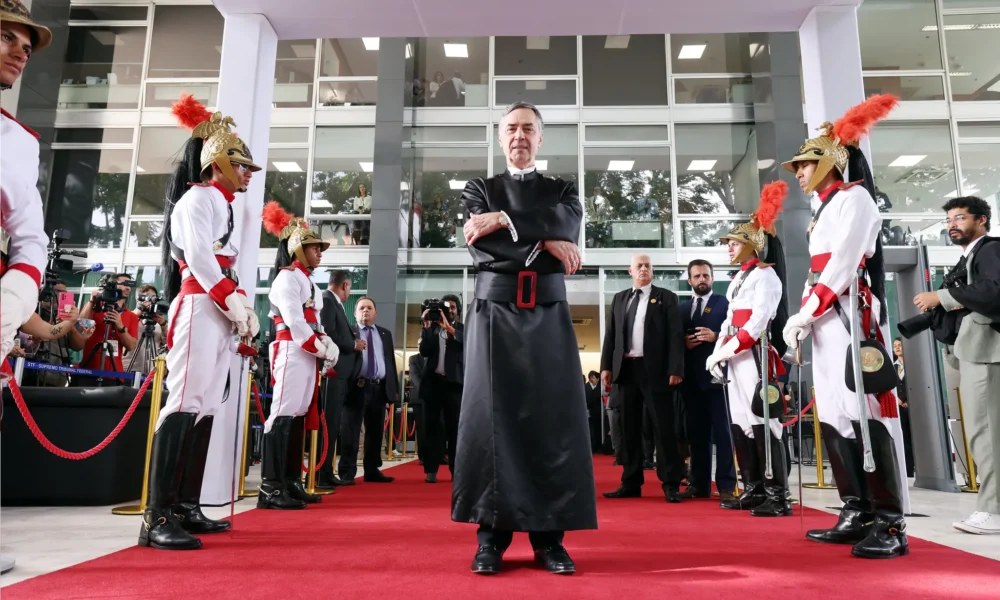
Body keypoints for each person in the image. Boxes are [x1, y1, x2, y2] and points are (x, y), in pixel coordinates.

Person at [452, 101, 595, 576]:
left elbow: (569, 226)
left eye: (528, 129)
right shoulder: (479, 189)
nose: (519, 135)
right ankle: (490, 539)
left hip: (549, 314)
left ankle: (549, 541)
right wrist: (543, 238)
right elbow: (481, 245)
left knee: (549, 421)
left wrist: (506, 222)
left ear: (540, 137)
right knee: (491, 420)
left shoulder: (563, 189)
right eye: (511, 128)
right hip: (494, 313)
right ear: (499, 137)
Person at [781, 94, 910, 559]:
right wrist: (802, 321)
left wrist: (803, 314)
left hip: (850, 314)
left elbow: (841, 268)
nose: (797, 173)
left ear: (830, 162)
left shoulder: (856, 200)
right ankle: (856, 510)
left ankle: (890, 523)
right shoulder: (824, 210)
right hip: (825, 319)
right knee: (835, 414)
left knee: (865, 413)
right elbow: (818, 273)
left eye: (804, 164)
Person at [137, 95, 262, 551]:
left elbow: (226, 268)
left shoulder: (224, 204)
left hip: (217, 308)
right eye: (242, 164)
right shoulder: (198, 198)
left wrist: (243, 308)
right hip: (198, 304)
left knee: (206, 404)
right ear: (219, 162)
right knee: (185, 400)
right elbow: (201, 262)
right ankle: (158, 514)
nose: (248, 173)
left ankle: (186, 504)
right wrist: (233, 303)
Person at [913, 196, 1000, 535]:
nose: (952, 223)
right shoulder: (969, 257)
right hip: (976, 351)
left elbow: (994, 290)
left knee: (986, 434)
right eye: (949, 218)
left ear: (982, 220)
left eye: (960, 217)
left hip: (988, 352)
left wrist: (942, 298)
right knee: (984, 434)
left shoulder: (989, 249)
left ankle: (993, 510)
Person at [707, 181, 791, 516]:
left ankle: (778, 494)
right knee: (741, 422)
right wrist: (718, 351)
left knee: (764, 421)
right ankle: (754, 488)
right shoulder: (738, 279)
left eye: (734, 242)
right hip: (736, 358)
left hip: (755, 356)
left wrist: (725, 352)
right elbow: (729, 321)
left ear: (752, 244)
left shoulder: (767, 277)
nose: (729, 247)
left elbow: (757, 325)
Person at [259, 202, 339, 509]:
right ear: (297, 249)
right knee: (283, 412)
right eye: (314, 247)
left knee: (298, 413)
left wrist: (327, 345)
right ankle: (271, 487)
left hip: (306, 351)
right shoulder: (287, 278)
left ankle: (290, 481)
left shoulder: (310, 284)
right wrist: (320, 348)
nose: (320, 252)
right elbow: (294, 322)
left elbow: (315, 324)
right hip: (291, 348)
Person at [601, 254, 686, 503]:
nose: (644, 269)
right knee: (628, 428)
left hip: (657, 372)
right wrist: (606, 366)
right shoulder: (619, 299)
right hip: (626, 370)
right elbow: (611, 335)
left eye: (648, 266)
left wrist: (676, 369)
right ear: (630, 271)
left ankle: (671, 483)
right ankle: (631, 481)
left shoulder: (666, 297)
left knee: (663, 427)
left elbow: (675, 336)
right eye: (639, 266)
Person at [1, 0, 51, 365]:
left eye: (27, 49)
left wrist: (18, 292)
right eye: (6, 37)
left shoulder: (20, 141)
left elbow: (30, 235)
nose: (20, 54)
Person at [679, 259, 735, 502]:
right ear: (689, 280)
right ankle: (699, 484)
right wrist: (682, 343)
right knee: (698, 434)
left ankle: (725, 486)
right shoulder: (681, 308)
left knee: (723, 434)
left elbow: (735, 332)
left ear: (712, 278)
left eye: (706, 275)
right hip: (691, 380)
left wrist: (716, 337)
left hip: (718, 378)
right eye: (697, 276)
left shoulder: (725, 304)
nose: (702, 279)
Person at [338, 297, 398, 484]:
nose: (365, 311)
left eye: (369, 308)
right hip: (356, 387)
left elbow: (389, 362)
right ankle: (347, 472)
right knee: (351, 431)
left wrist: (392, 390)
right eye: (361, 308)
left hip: (378, 388)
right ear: (355, 313)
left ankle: (372, 470)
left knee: (375, 432)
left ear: (375, 313)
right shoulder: (349, 332)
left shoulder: (385, 334)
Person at [317, 269, 361, 488]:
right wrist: (353, 344)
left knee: (333, 424)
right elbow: (327, 334)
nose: (348, 292)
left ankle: (326, 471)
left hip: (339, 373)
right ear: (345, 285)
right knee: (329, 423)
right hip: (331, 372)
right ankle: (321, 474)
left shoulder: (334, 303)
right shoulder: (327, 300)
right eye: (350, 288)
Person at [418, 294, 464, 483]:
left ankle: (456, 470)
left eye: (453, 307)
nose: (450, 310)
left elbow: (467, 343)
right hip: (433, 385)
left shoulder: (462, 329)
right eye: (447, 308)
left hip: (455, 386)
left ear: (458, 311)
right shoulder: (431, 328)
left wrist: (449, 328)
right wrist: (427, 327)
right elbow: (425, 351)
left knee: (455, 430)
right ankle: (431, 470)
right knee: (432, 429)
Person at [67, 273, 140, 386]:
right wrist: (92, 301)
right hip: (86, 370)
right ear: (112, 285)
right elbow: (79, 327)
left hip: (114, 374)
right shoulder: (95, 306)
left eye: (130, 285)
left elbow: (131, 346)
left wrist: (121, 327)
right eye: (124, 284)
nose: (128, 288)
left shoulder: (132, 316)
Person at [892, 338, 914, 478]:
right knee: (903, 437)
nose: (898, 348)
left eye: (900, 345)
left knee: (912, 439)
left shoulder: (912, 365)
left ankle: (913, 468)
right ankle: (905, 469)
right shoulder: (893, 366)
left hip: (911, 406)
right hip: (898, 406)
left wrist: (907, 399)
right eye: (895, 346)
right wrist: (898, 400)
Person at [586, 371, 603, 453]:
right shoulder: (585, 387)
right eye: (597, 378)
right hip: (589, 413)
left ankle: (598, 447)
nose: (598, 380)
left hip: (599, 413)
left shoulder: (600, 387)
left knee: (598, 431)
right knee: (591, 431)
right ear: (591, 377)